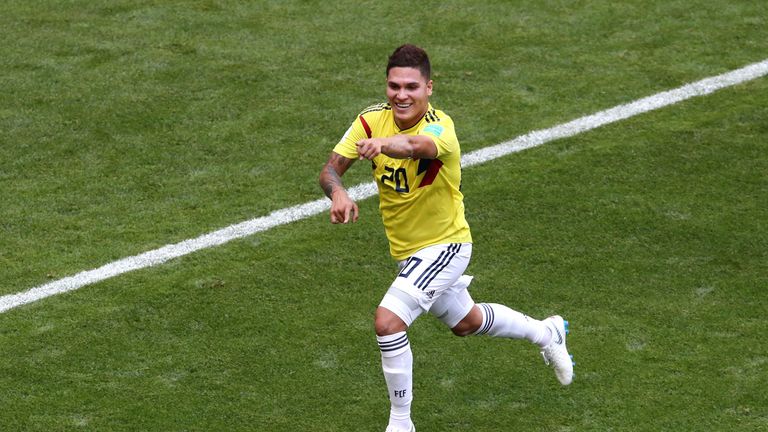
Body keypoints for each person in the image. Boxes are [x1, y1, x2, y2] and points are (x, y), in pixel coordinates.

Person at [318, 44, 574, 432]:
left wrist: (384, 146)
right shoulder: (370, 121)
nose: (401, 94)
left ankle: (401, 424)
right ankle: (546, 331)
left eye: (411, 86)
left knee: (388, 322)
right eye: (393, 86)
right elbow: (330, 170)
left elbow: (416, 146)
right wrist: (338, 192)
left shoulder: (441, 127)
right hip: (409, 253)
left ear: (429, 88)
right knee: (466, 322)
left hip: (447, 245)